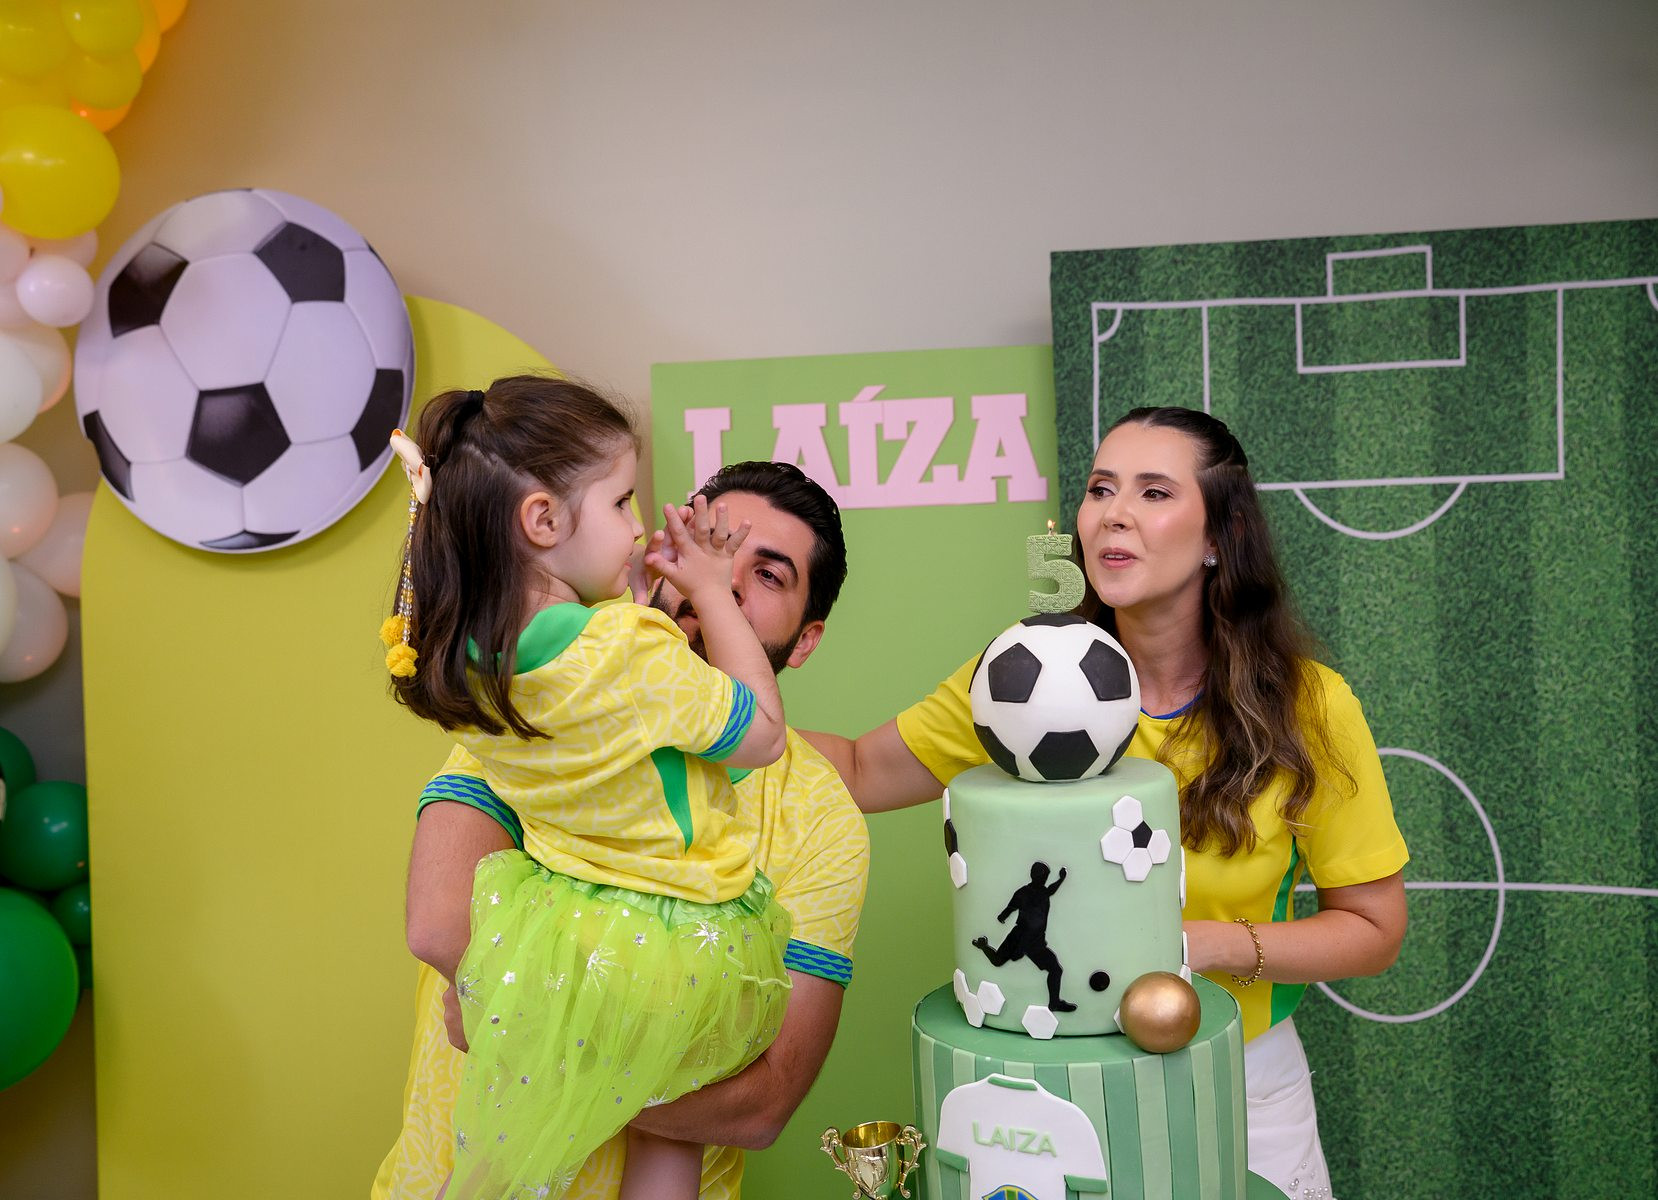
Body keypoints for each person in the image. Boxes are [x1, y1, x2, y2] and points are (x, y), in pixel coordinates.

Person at [806, 405, 1408, 1198]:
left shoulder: (1307, 706)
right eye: (1100, 489)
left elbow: (1373, 929)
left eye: (1154, 492)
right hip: (1055, 1089)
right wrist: (699, 702)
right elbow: (857, 769)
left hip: (1241, 1082)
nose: (1114, 513)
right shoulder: (1021, 678)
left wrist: (1200, 946)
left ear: (1221, 535)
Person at [372, 460, 869, 1200]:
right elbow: (441, 927)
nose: (724, 580)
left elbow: (762, 1105)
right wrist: (652, 1058)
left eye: (767, 576)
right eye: (706, 543)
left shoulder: (822, 818)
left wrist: (522, 1034)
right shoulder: (547, 698)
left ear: (804, 640)